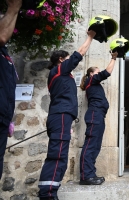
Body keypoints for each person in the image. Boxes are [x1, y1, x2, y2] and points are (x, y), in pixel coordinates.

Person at [38, 30, 96, 200]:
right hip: (61, 116)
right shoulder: (59, 69)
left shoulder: (61, 74)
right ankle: (47, 195)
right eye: (68, 58)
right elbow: (79, 54)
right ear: (62, 59)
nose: (71, 61)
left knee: (59, 155)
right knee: (57, 156)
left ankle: (49, 192)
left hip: (62, 117)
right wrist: (90, 37)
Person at [79, 51, 118, 185]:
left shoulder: (94, 83)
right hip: (95, 114)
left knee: (95, 146)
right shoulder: (91, 80)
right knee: (90, 145)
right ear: (91, 74)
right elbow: (106, 73)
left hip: (99, 115)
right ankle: (85, 176)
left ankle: (90, 174)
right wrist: (113, 58)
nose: (99, 72)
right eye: (97, 71)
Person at [0, 0, 22, 180]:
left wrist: (16, 11)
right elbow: (1, 35)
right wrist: (13, 7)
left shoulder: (4, 53)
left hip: (2, 116)